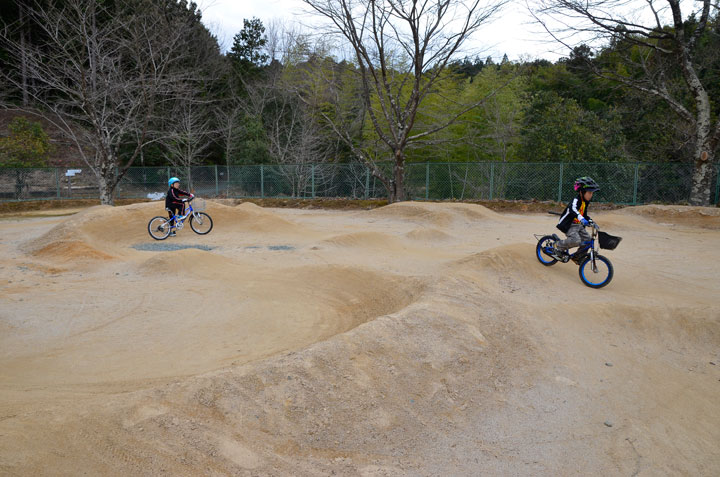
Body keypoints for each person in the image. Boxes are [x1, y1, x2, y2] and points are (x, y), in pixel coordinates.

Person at [552, 176, 600, 260]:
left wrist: (591, 222)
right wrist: (582, 219)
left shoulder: (585, 202)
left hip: (578, 225)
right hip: (569, 224)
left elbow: (584, 215)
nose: (591, 195)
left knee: (588, 240)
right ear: (582, 192)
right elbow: (573, 210)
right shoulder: (576, 200)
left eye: (592, 193)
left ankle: (578, 257)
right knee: (576, 240)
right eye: (589, 193)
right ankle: (557, 246)